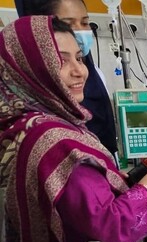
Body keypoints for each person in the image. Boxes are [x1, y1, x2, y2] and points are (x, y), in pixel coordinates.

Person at [0, 16, 147, 242]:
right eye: (61, 61)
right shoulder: (56, 142)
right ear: (29, 69)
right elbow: (111, 224)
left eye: (79, 57)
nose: (79, 71)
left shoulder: (26, 127)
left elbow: (72, 199)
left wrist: (115, 181)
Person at [17, 0, 119, 156]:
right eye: (67, 24)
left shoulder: (93, 73)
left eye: (85, 23)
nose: (79, 72)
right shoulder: (43, 132)